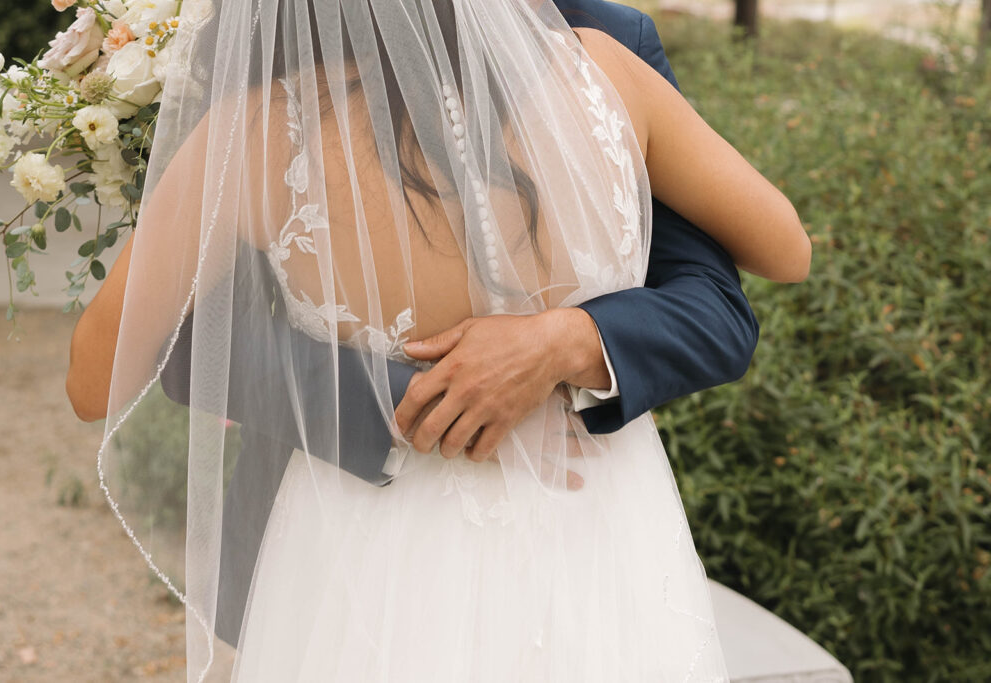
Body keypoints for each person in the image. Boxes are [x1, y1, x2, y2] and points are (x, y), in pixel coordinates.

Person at [67, 0, 809, 680]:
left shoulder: (255, 131)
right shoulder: (602, 68)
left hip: (366, 546)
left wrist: (571, 338)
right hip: (600, 520)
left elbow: (93, 381)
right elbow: (787, 250)